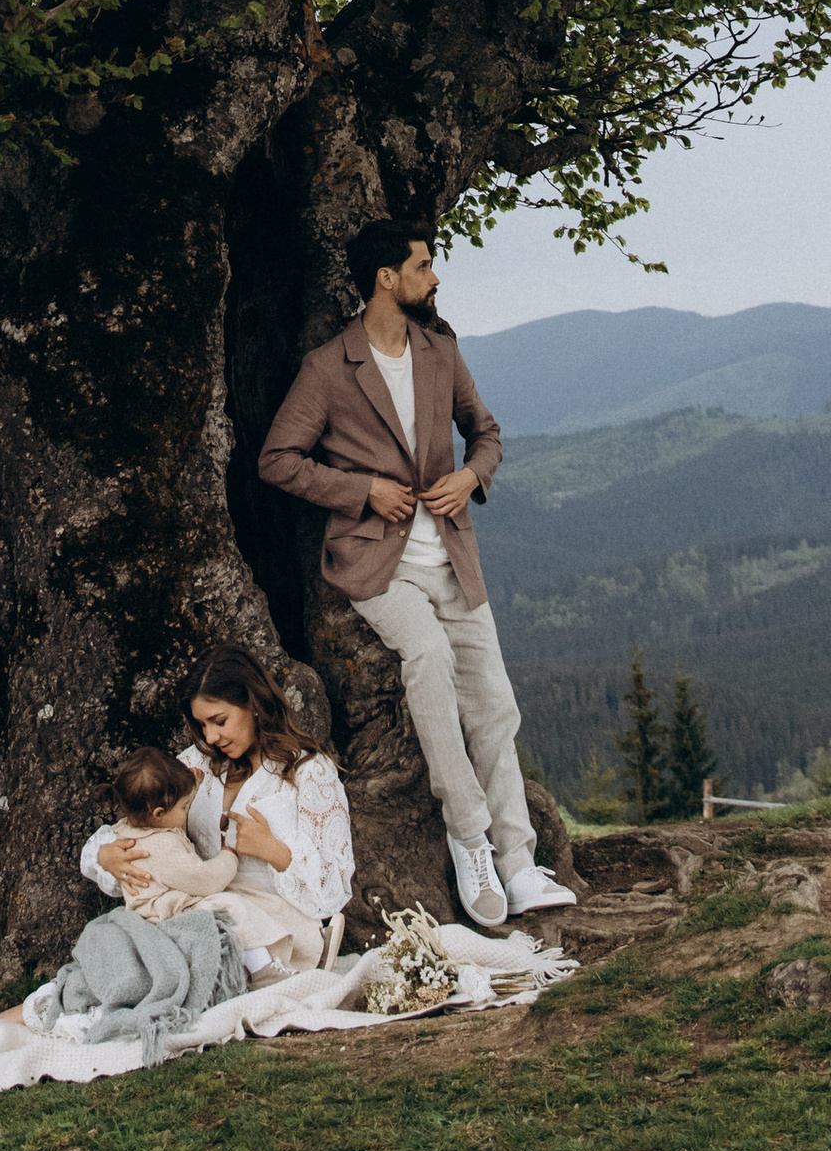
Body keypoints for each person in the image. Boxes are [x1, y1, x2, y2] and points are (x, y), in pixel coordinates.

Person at [258, 216, 576, 931]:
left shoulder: (440, 351)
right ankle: (469, 842)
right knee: (426, 657)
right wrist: (359, 490)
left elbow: (486, 434)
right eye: (425, 265)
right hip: (377, 564)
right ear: (386, 279)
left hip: (454, 558)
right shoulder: (328, 367)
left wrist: (469, 479)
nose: (435, 278)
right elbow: (277, 459)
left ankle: (519, 865)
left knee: (495, 706)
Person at [79, 644, 356, 959]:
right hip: (192, 925)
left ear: (253, 704)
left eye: (219, 721)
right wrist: (106, 857)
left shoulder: (308, 772)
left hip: (272, 935)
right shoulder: (194, 765)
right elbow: (142, 828)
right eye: (201, 725)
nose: (209, 737)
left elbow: (333, 890)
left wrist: (275, 852)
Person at [99, 743, 325, 972]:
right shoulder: (160, 846)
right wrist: (230, 855)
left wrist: (192, 784)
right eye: (185, 807)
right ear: (159, 814)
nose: (187, 810)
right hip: (167, 916)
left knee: (250, 893)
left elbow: (174, 808)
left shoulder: (132, 829)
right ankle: (263, 970)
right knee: (233, 908)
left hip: (177, 903)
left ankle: (306, 942)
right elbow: (205, 880)